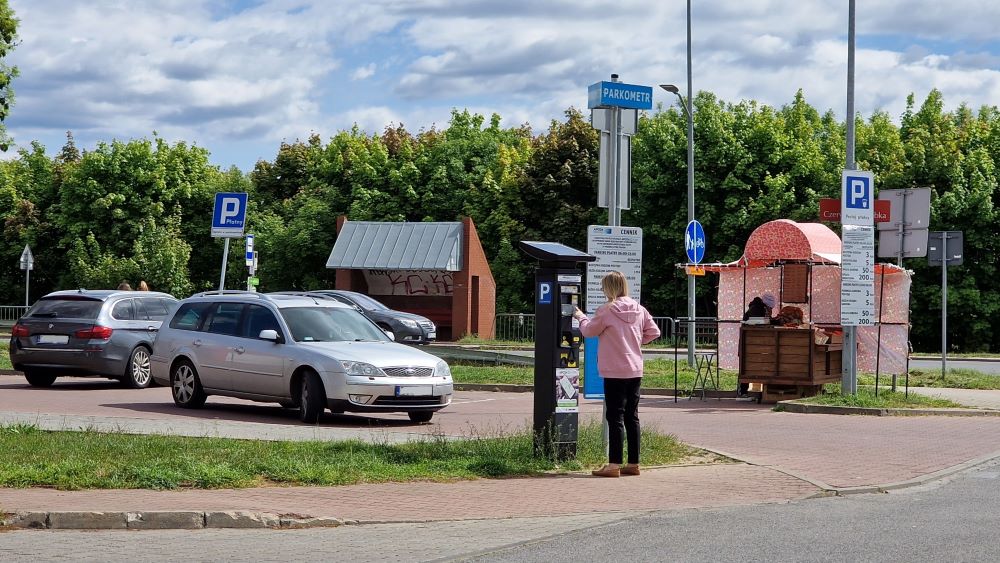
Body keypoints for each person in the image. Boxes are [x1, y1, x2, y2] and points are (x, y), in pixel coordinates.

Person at [573, 271, 660, 478]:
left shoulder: (607, 310)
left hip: (614, 371)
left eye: (604, 287)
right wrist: (637, 341)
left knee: (615, 416)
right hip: (635, 369)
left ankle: (613, 465)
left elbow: (589, 331)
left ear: (609, 288)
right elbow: (654, 332)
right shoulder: (640, 309)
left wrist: (581, 317)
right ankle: (633, 463)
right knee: (632, 416)